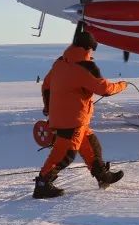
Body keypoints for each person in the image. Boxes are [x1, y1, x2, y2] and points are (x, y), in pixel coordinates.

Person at [34, 30, 127, 199]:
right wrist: (122, 85)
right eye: (92, 50)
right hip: (72, 120)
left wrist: (48, 108)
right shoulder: (86, 66)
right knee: (65, 153)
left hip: (70, 118)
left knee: (91, 145)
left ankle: (102, 176)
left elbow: (46, 86)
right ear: (88, 48)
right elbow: (104, 89)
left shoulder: (60, 62)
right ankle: (42, 184)